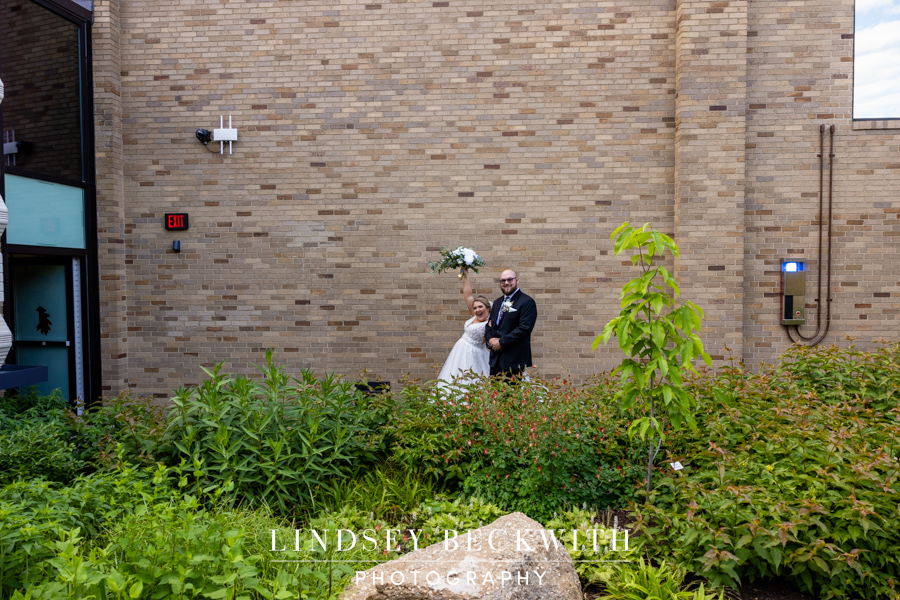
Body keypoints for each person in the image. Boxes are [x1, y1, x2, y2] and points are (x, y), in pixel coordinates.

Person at [436, 271, 492, 385]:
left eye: (480, 307)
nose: (477, 310)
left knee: (471, 380)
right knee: (454, 378)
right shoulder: (475, 315)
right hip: (459, 351)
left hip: (474, 355)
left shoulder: (490, 323)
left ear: (488, 308)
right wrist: (465, 272)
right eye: (475, 307)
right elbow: (468, 295)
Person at [484, 269, 537, 378]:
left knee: (511, 394)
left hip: (514, 360)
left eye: (509, 279)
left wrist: (501, 342)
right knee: (494, 394)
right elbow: (489, 325)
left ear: (517, 280)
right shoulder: (498, 302)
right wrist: (490, 340)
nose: (506, 283)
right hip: (495, 360)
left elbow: (524, 329)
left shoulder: (526, 302)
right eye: (503, 280)